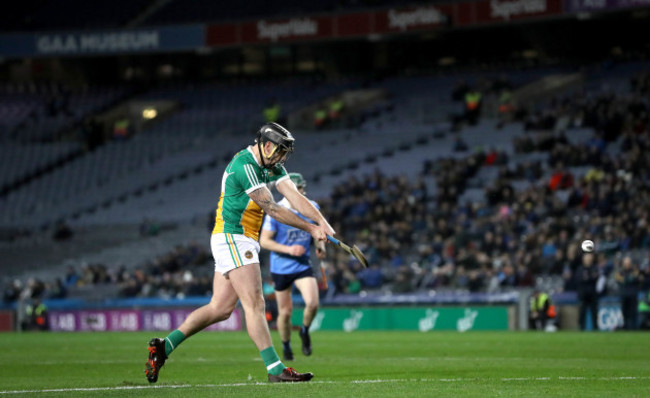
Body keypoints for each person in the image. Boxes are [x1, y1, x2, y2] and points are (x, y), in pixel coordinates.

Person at [145, 122, 335, 383]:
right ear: (266, 145)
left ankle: (163, 347)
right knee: (255, 303)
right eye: (279, 151)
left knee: (220, 308)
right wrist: (311, 228)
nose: (281, 158)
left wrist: (322, 222)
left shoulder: (272, 165)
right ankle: (275, 369)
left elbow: (293, 196)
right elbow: (273, 209)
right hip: (234, 237)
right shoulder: (245, 165)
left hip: (237, 240)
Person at [259, 172, 326, 361]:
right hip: (281, 266)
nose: (303, 192)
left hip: (302, 263)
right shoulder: (277, 210)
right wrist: (289, 250)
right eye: (300, 189)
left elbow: (318, 232)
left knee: (312, 303)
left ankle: (304, 331)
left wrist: (320, 246)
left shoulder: (312, 207)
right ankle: (286, 346)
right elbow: (264, 241)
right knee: (285, 312)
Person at [576, 252, 601, 331]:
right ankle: (581, 328)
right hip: (583, 294)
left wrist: (587, 278)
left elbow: (595, 278)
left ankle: (595, 328)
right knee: (582, 313)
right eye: (586, 258)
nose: (588, 260)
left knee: (594, 312)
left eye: (589, 258)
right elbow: (579, 279)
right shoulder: (580, 269)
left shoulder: (595, 268)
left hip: (592, 294)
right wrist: (589, 278)